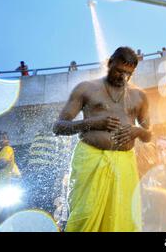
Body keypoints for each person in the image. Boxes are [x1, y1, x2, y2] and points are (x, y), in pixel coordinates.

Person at [53, 47, 152, 232]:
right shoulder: (86, 89)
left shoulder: (139, 96)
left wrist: (137, 132)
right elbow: (58, 127)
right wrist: (91, 123)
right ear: (109, 63)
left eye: (128, 74)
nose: (123, 77)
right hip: (90, 158)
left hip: (124, 163)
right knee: (84, 216)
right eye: (119, 71)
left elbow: (149, 134)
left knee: (122, 219)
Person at [0, 131, 21, 230]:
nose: (2, 140)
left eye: (4, 138)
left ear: (8, 141)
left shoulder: (7, 149)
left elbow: (3, 162)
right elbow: (17, 174)